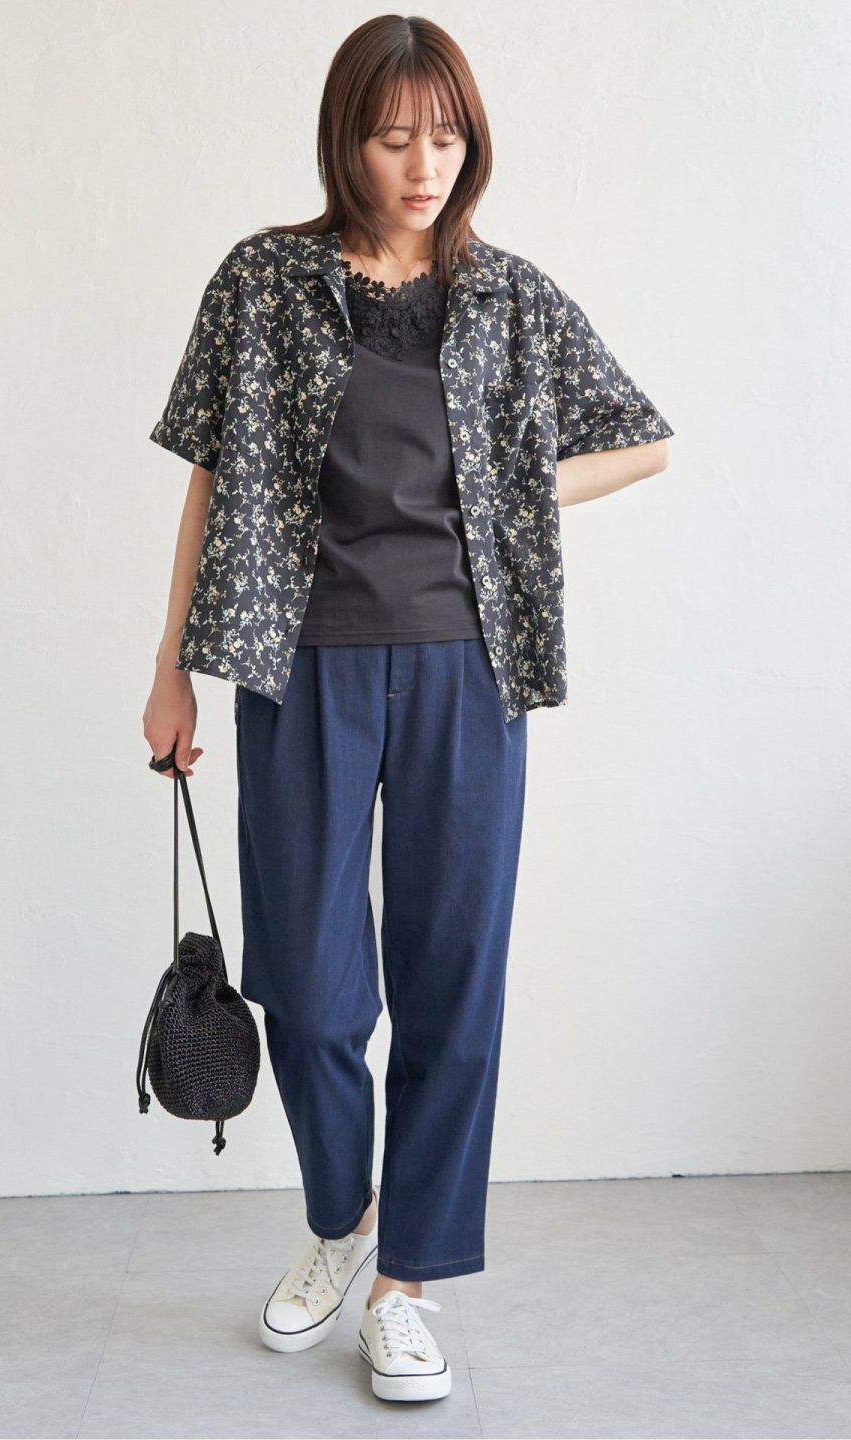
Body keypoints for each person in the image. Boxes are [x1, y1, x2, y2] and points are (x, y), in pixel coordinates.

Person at [142, 14, 674, 1405]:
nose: (423, 165)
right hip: (301, 665)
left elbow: (646, 441)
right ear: (347, 142)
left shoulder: (506, 299)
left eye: (445, 137)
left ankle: (405, 1288)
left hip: (464, 673)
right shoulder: (263, 283)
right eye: (394, 139)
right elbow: (209, 477)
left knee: (452, 981)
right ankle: (345, 1217)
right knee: (310, 990)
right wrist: (169, 666)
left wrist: (510, 486)